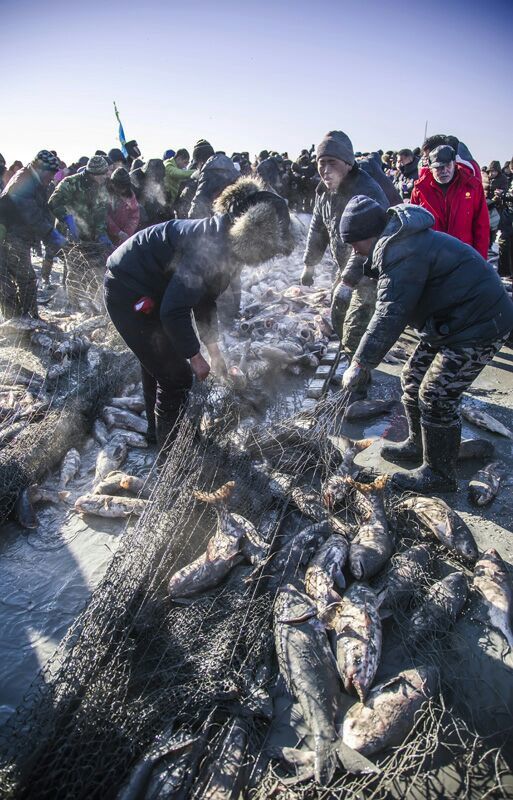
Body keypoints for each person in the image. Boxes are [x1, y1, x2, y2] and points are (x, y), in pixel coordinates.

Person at [104, 177, 294, 452]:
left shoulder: (226, 241)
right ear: (254, 236)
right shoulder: (211, 248)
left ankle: (158, 433)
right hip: (127, 290)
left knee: (158, 362)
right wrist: (195, 357)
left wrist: (214, 353)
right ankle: (172, 453)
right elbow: (174, 309)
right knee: (176, 376)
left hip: (152, 289)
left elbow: (203, 300)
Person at [339, 196, 513, 493]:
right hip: (448, 321)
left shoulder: (401, 251)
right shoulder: (395, 242)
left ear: (370, 234)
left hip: (480, 324)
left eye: (355, 243)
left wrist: (360, 362)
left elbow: (390, 312)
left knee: (436, 394)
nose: (354, 251)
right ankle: (418, 444)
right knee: (411, 377)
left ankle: (439, 473)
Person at [301, 130, 389, 383]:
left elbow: (372, 242)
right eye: (321, 163)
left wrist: (349, 281)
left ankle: (358, 381)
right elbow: (318, 229)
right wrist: (309, 264)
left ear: (348, 164)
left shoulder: (366, 191)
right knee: (338, 315)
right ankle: (351, 360)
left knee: (357, 324)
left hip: (370, 270)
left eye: (332, 162)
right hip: (343, 268)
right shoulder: (323, 192)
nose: (325, 170)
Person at [0, 150, 64, 314]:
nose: (52, 178)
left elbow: (43, 210)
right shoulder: (24, 180)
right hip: (10, 236)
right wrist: (51, 234)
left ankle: (22, 316)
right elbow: (31, 214)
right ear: (41, 169)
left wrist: (53, 233)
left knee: (20, 279)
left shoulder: (36, 181)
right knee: (25, 279)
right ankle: (24, 318)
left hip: (20, 236)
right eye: (51, 174)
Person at [410, 145, 489, 259]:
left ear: (454, 164)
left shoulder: (473, 186)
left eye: (447, 165)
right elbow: (413, 227)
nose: (444, 171)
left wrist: (480, 260)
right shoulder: (420, 190)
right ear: (430, 168)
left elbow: (482, 226)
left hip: (463, 257)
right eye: (438, 167)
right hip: (431, 258)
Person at [48, 155, 111, 244]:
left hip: (88, 238)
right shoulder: (70, 183)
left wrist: (101, 234)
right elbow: (53, 202)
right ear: (93, 174)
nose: (105, 176)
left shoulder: (102, 188)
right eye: (103, 174)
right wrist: (67, 218)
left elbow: (100, 214)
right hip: (66, 236)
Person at [188, 140, 239, 219]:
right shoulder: (232, 169)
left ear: (200, 162)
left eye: (197, 166)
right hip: (238, 216)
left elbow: (199, 203)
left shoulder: (208, 171)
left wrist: (189, 222)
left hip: (224, 219)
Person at [107, 167, 140, 246]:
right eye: (120, 187)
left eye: (124, 187)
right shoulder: (105, 193)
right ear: (113, 184)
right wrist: (117, 231)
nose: (123, 190)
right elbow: (103, 215)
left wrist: (127, 233)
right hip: (106, 233)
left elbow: (134, 216)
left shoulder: (130, 195)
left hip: (122, 236)